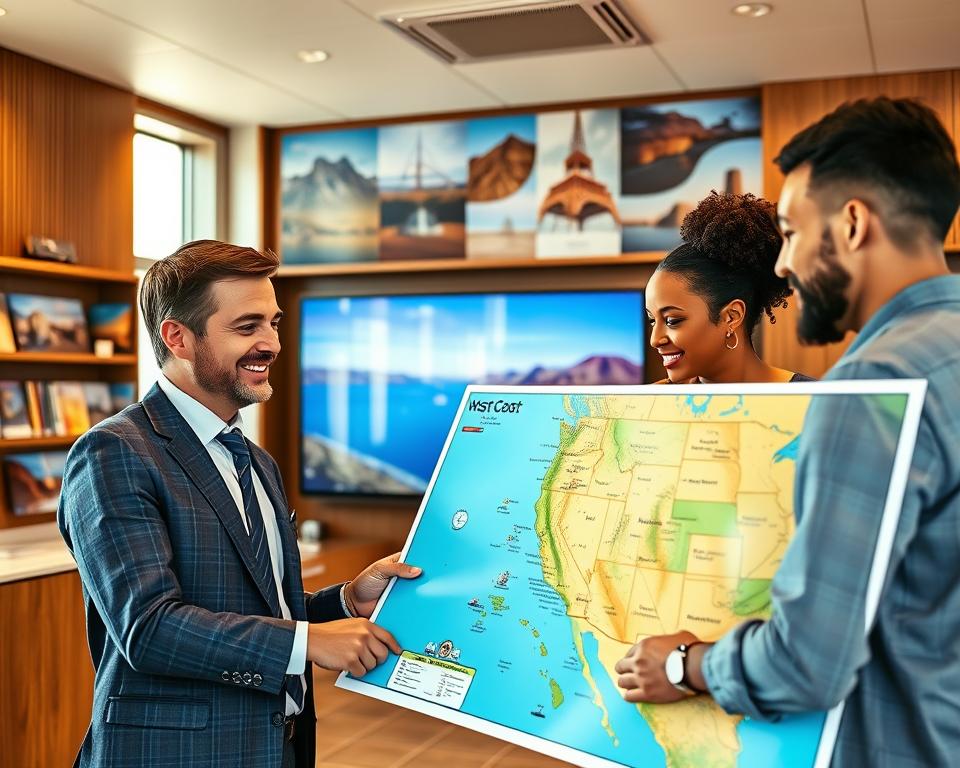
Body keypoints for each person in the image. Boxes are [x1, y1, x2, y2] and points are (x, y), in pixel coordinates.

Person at [615, 97, 960, 765]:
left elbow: (808, 661)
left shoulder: (872, 386)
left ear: (854, 223)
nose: (783, 264)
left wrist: (685, 666)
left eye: (794, 233)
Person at [58, 240, 421, 768]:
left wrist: (344, 601)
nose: (272, 343)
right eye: (247, 327)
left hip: (274, 747)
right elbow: (149, 628)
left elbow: (255, 604)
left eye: (274, 324)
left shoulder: (255, 460)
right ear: (178, 338)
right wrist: (306, 642)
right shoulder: (112, 451)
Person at [646, 191, 813, 384]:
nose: (655, 340)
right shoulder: (651, 407)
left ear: (732, 316)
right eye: (652, 320)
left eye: (672, 320)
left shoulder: (815, 402)